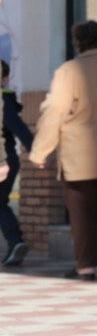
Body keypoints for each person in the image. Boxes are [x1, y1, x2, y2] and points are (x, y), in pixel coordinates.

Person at [29, 19, 97, 280]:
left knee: (82, 210)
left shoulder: (70, 71)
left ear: (78, 43)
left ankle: (86, 267)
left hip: (83, 155)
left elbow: (54, 110)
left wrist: (40, 151)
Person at [1, 59, 36, 267]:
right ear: (5, 79)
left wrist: (36, 151)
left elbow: (19, 128)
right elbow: (19, 129)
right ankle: (15, 242)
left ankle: (15, 242)